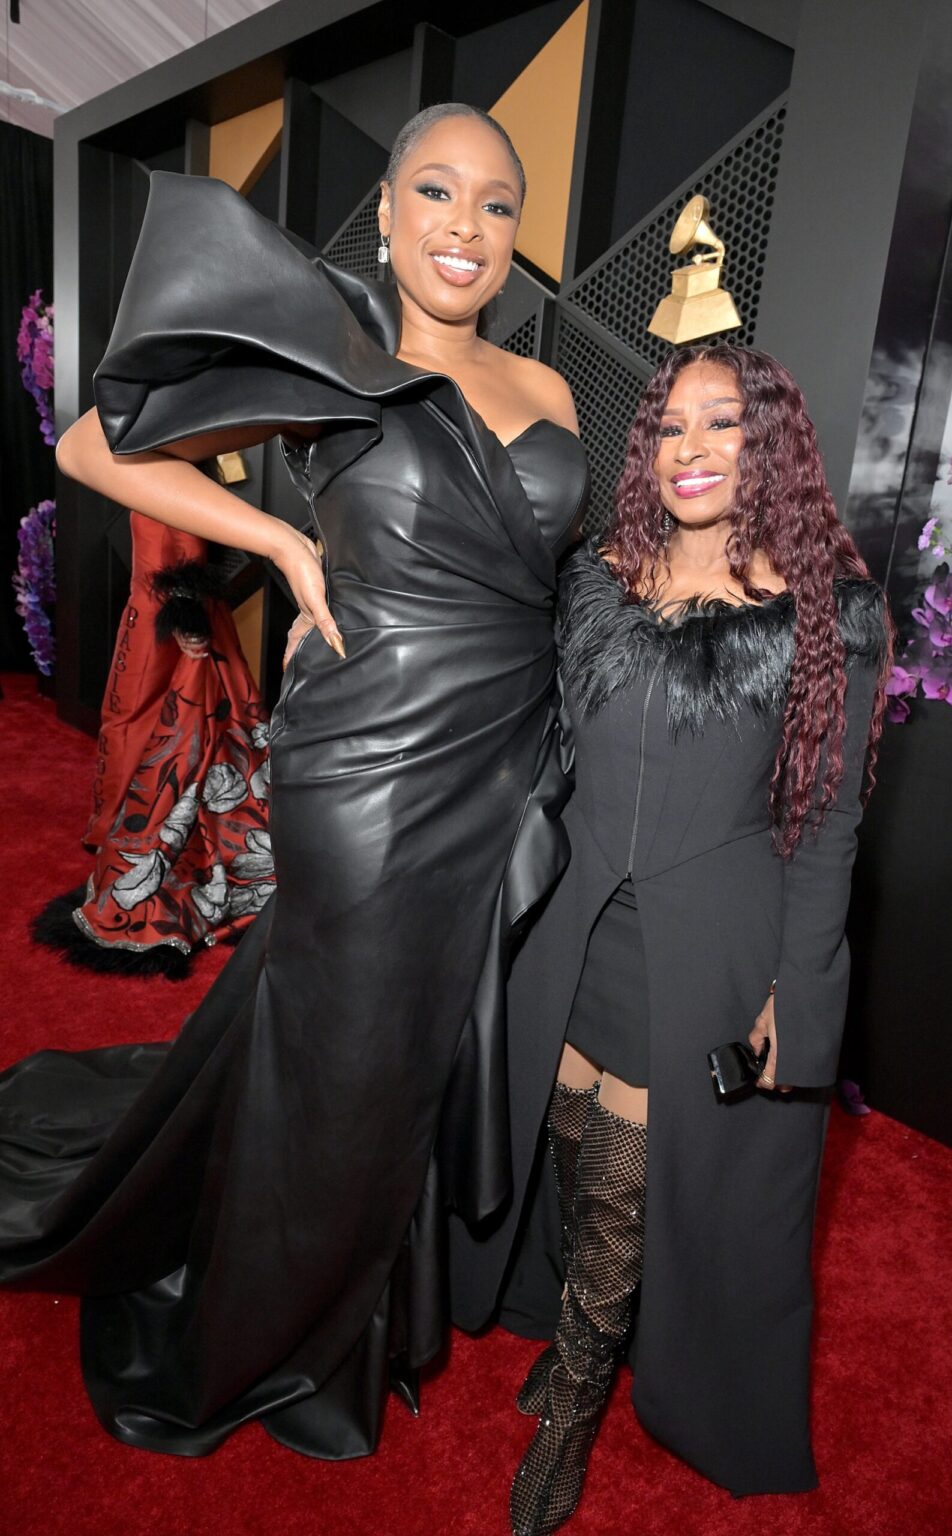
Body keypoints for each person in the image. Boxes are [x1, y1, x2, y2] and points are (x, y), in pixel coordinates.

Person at [0, 104, 588, 1461]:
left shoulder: (553, 395)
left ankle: (385, 1296)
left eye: (496, 204)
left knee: (420, 1045)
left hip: (510, 758)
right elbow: (92, 446)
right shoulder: (336, 350)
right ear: (384, 212)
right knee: (353, 1056)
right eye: (434, 191)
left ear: (515, 237)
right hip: (371, 763)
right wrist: (277, 537)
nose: (465, 225)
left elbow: (553, 582)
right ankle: (293, 1327)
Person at [446, 344, 893, 1535]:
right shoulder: (595, 581)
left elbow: (831, 822)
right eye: (669, 426)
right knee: (564, 1131)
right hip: (571, 923)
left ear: (770, 442)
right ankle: (571, 1324)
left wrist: (800, 991)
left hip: (707, 947)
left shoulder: (829, 614)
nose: (690, 448)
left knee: (624, 1186)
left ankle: (575, 1397)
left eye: (723, 423)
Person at [34, 506, 274, 978]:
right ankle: (116, 827)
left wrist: (185, 615)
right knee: (132, 719)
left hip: (168, 615)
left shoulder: (163, 473)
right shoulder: (152, 472)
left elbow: (182, 541)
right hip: (154, 607)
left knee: (149, 722)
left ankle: (135, 832)